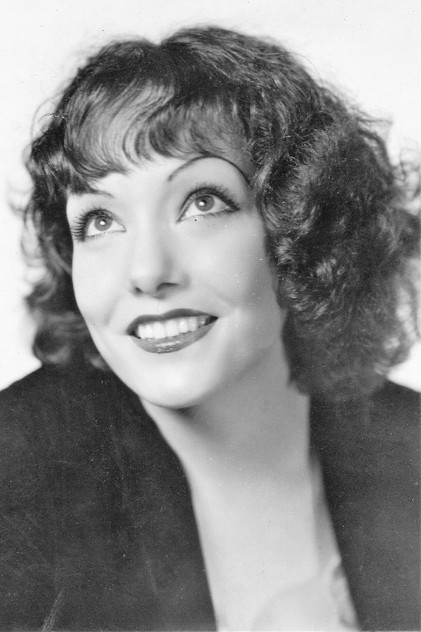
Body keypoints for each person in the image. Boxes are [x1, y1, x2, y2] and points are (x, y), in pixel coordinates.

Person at [0, 25, 419, 631]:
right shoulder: (15, 474)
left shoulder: (409, 446)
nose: (147, 272)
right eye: (100, 220)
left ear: (302, 229)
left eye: (202, 203)